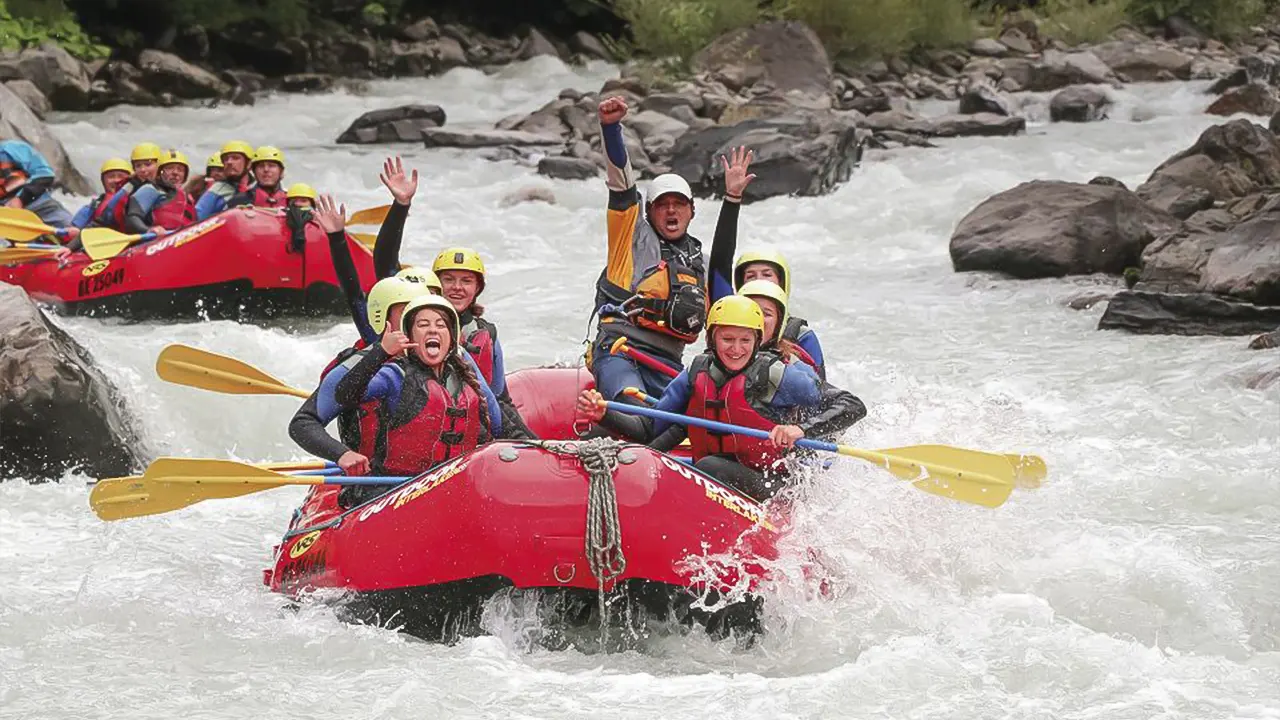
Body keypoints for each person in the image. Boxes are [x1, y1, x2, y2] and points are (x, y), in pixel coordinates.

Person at [577, 296, 865, 502]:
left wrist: (800, 430)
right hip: (714, 476)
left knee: (708, 466)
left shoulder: (778, 375)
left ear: (756, 340)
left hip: (773, 483)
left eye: (745, 340)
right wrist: (603, 413)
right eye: (728, 339)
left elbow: (852, 405)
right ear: (712, 339)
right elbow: (649, 429)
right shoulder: (696, 372)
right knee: (623, 447)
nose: (736, 349)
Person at [587, 95, 756, 403]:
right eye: (662, 205)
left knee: (681, 418)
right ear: (649, 212)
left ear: (692, 211)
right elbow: (622, 185)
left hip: (668, 366)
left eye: (679, 204)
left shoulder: (701, 265)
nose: (671, 212)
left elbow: (723, 275)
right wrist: (611, 128)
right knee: (631, 405)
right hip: (619, 353)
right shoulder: (631, 241)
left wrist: (732, 198)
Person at [300, 294, 527, 508]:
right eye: (423, 324)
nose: (432, 330)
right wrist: (381, 352)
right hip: (390, 492)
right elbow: (344, 396)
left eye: (440, 325)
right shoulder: (394, 375)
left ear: (452, 337)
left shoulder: (468, 381)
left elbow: (502, 428)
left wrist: (541, 451)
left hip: (452, 490)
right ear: (410, 336)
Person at [732, 249, 825, 379]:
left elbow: (821, 389)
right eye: (751, 276)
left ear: (781, 283)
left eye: (767, 275)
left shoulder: (803, 335)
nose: (759, 280)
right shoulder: (727, 331)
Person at [736, 280, 822, 372]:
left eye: (767, 314)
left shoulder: (793, 368)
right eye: (751, 311)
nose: (758, 318)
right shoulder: (722, 353)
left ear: (778, 323)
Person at [0, 139, 73, 226]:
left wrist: (20, 199)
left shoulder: (11, 149)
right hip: (5, 215)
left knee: (72, 229)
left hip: (38, 203)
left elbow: (45, 175)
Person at [93, 142, 164, 231]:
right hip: (136, 235)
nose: (143, 169)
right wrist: (147, 230)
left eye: (148, 164)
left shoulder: (168, 187)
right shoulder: (129, 188)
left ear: (159, 165)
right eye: (138, 165)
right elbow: (101, 220)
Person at [122, 149, 196, 235]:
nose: (175, 173)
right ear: (160, 172)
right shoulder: (150, 189)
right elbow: (132, 218)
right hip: (155, 241)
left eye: (180, 170)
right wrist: (148, 230)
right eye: (169, 168)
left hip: (183, 240)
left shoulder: (189, 198)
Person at [65, 158, 132, 237]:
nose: (116, 180)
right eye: (111, 176)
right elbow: (75, 227)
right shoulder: (95, 205)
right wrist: (73, 230)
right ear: (103, 181)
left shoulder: (136, 200)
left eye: (121, 176)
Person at [193, 140, 255, 220]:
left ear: (249, 164)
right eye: (226, 159)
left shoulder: (257, 188)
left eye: (235, 158)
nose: (229, 162)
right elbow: (195, 220)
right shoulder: (216, 190)